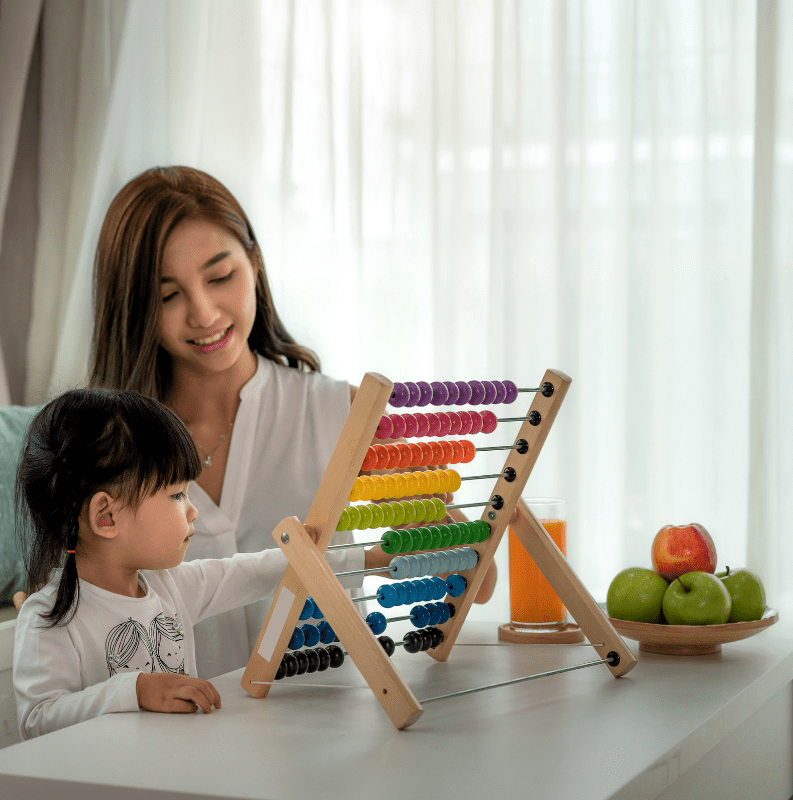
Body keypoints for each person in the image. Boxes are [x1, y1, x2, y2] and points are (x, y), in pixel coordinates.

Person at [83, 165, 494, 678]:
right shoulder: (105, 450)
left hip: (326, 725)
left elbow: (480, 579)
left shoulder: (340, 413)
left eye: (220, 277)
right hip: (176, 735)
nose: (205, 313)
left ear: (254, 263)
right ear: (134, 307)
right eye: (169, 295)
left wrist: (449, 537)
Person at [13, 387, 392, 739]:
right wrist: (136, 690)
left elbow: (265, 569)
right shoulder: (48, 617)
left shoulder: (170, 586)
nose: (193, 511)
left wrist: (372, 559)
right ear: (106, 517)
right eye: (177, 494)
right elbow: (37, 720)